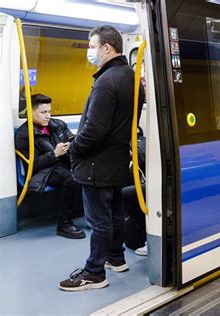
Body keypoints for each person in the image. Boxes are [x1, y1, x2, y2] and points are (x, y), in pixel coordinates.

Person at [59, 25, 144, 291]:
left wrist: (74, 150)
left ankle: (94, 272)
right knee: (115, 213)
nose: (90, 51)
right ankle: (115, 258)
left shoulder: (106, 81)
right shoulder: (131, 76)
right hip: (117, 161)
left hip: (96, 163)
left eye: (92, 45)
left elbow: (94, 129)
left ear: (106, 47)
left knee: (99, 221)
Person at [15, 94, 85, 239]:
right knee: (71, 179)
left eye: (49, 112)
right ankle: (64, 224)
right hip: (45, 171)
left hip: (64, 163)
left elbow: (71, 138)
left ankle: (94, 214)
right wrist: (54, 154)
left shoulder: (57, 124)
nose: (47, 116)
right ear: (31, 112)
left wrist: (72, 145)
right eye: (43, 112)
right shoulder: (24, 134)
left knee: (93, 169)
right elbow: (32, 165)